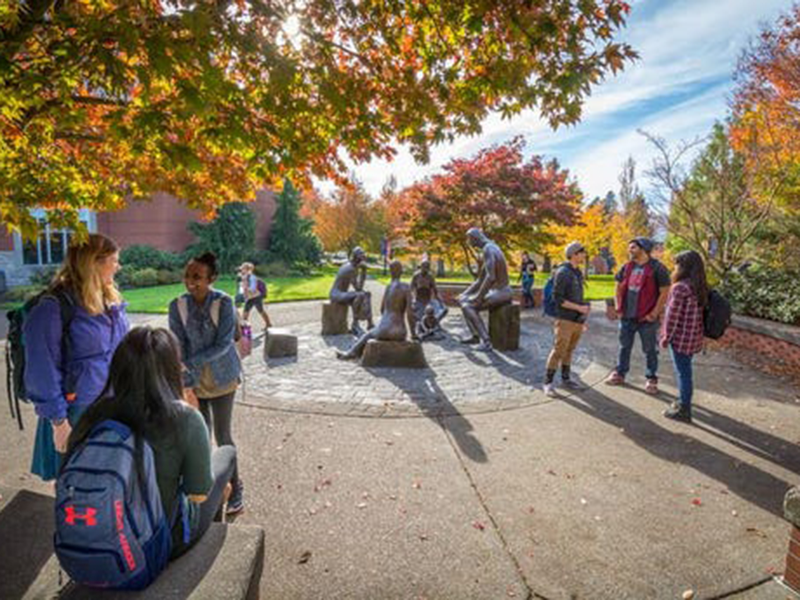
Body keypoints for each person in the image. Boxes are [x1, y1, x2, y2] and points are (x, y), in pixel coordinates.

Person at [65, 326, 236, 559]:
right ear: (171, 369)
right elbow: (198, 492)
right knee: (226, 455)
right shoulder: (184, 417)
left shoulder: (95, 413)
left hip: (94, 536)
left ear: (119, 369)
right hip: (158, 544)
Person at [24, 233, 129, 481]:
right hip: (75, 412)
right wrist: (59, 423)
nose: (118, 267)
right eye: (113, 261)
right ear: (94, 262)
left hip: (111, 404)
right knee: (76, 486)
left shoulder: (109, 299)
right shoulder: (52, 308)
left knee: (107, 483)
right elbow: (42, 370)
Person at [169, 252, 244, 515]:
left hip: (223, 379)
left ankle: (235, 490)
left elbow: (224, 344)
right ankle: (207, 491)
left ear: (212, 278)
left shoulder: (223, 303)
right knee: (201, 437)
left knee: (223, 436)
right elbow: (177, 345)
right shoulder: (177, 305)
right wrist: (186, 382)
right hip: (195, 383)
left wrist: (190, 363)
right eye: (188, 276)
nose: (190, 281)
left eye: (198, 277)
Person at [605, 237, 671, 394]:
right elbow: (618, 287)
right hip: (627, 316)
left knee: (649, 349)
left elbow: (665, 292)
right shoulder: (627, 267)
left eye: (633, 247)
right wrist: (617, 307)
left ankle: (651, 378)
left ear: (643, 249)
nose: (630, 250)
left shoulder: (658, 268)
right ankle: (620, 373)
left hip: (646, 318)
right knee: (624, 347)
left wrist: (654, 313)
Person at [660, 251, 708, 423]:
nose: (675, 267)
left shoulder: (680, 287)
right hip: (693, 337)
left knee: (683, 373)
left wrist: (665, 336)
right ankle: (682, 401)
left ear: (683, 266)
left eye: (676, 264)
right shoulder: (699, 286)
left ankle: (684, 409)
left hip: (680, 338)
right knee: (685, 370)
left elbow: (672, 316)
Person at [336, 260, 413, 359]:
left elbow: (382, 309)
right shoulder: (406, 287)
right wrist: (414, 334)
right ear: (401, 271)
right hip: (399, 331)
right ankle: (355, 352)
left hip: (385, 329)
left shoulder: (389, 288)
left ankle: (352, 353)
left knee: (368, 334)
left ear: (390, 272)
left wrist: (386, 320)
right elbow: (410, 313)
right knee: (372, 332)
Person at [543, 242, 590, 397]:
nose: (584, 254)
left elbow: (579, 297)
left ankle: (566, 379)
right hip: (564, 319)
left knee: (570, 350)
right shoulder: (563, 272)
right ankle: (547, 383)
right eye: (582, 252)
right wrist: (579, 308)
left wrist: (582, 318)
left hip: (577, 320)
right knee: (559, 350)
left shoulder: (577, 272)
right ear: (574, 254)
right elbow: (558, 299)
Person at [458, 228, 513, 351]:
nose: (468, 242)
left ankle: (486, 341)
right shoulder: (491, 247)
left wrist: (479, 297)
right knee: (463, 300)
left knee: (468, 306)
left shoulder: (488, 249)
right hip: (500, 291)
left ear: (474, 238)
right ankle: (475, 335)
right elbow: (480, 280)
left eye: (468, 239)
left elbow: (491, 277)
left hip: (502, 292)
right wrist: (464, 294)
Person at [329, 246, 374, 335]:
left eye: (363, 253)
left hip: (342, 293)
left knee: (367, 294)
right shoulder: (351, 268)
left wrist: (362, 271)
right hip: (336, 294)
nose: (363, 255)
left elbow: (359, 288)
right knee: (360, 295)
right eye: (361, 254)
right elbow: (358, 288)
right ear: (356, 256)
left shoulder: (353, 266)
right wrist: (364, 272)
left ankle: (370, 323)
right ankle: (355, 324)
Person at [409, 259, 448, 337]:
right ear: (421, 267)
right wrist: (412, 300)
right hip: (418, 301)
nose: (425, 269)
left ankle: (435, 325)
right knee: (416, 315)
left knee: (443, 310)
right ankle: (421, 328)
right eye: (424, 266)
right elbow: (411, 290)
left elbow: (435, 291)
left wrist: (441, 302)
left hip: (428, 301)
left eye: (427, 267)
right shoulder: (416, 276)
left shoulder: (430, 277)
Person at [239, 262, 271, 330]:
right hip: (249, 298)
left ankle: (268, 324)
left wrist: (245, 287)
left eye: (243, 269)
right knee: (245, 313)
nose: (241, 270)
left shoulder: (252, 277)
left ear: (248, 270)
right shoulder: (243, 277)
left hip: (256, 297)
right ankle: (245, 330)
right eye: (241, 269)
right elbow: (242, 290)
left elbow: (253, 289)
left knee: (261, 311)